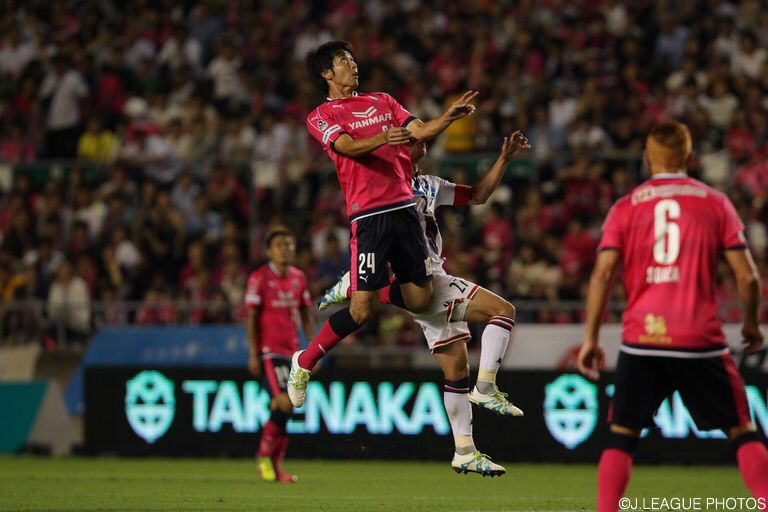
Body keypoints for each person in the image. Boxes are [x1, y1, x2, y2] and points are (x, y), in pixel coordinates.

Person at [577, 121, 768, 511]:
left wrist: (591, 338)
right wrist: (750, 323)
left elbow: (602, 274)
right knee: (741, 430)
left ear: (647, 158)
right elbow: (748, 277)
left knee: (622, 434)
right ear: (689, 157)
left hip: (642, 337)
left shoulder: (626, 206)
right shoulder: (715, 202)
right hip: (698, 339)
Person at [320, 131, 531, 475]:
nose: (421, 138)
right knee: (503, 311)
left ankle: (464, 451)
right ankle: (487, 386)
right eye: (415, 136)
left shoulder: (430, 184)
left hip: (429, 277)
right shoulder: (386, 186)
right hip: (429, 281)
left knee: (456, 371)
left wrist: (504, 159)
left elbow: (477, 195)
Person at [288, 41, 478, 407]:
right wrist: (383, 137)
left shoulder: (383, 100)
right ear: (327, 73)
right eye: (344, 61)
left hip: (406, 208)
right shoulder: (321, 115)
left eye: (354, 60)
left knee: (421, 300)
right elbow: (345, 147)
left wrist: (447, 118)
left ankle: (356, 282)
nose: (354, 65)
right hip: (369, 215)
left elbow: (418, 131)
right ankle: (305, 361)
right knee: (362, 311)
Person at [244, 226, 314, 483]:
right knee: (283, 402)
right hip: (269, 352)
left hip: (293, 352)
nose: (286, 249)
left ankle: (274, 466)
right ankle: (264, 457)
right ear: (269, 251)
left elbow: (306, 314)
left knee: (287, 407)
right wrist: (253, 353)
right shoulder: (259, 278)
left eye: (290, 244)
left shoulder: (299, 277)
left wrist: (313, 349)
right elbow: (250, 318)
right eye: (280, 245)